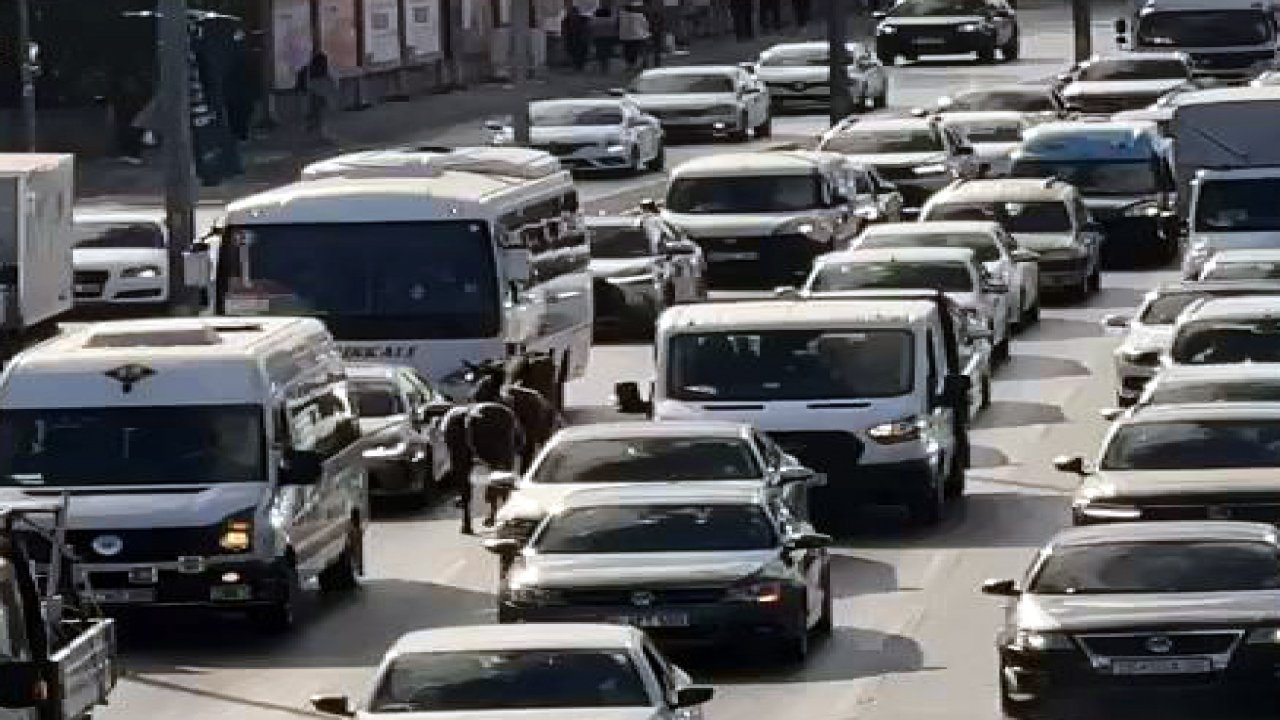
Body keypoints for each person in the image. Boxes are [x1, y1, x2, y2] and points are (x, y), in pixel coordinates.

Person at [298, 51, 339, 142]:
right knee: (321, 114)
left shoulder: (307, 70)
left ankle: (314, 129)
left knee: (314, 113)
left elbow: (301, 84)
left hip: (311, 94)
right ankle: (321, 133)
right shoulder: (323, 71)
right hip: (320, 94)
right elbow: (331, 83)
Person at [620, 4, 651, 71]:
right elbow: (646, 25)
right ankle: (643, 64)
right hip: (639, 36)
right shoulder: (640, 15)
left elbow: (619, 26)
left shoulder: (622, 17)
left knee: (628, 52)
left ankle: (630, 65)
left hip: (626, 37)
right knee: (640, 51)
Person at [562, 1, 592, 71]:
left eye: (574, 12)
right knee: (573, 50)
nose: (573, 14)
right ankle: (577, 64)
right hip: (572, 36)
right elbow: (564, 26)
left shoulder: (583, 19)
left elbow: (587, 28)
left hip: (578, 37)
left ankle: (579, 64)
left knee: (580, 50)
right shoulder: (568, 19)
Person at [591, 1, 621, 73]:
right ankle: (603, 66)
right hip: (602, 35)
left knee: (605, 51)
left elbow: (614, 22)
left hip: (605, 35)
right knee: (602, 51)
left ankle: (604, 66)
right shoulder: (597, 11)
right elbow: (593, 22)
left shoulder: (611, 11)